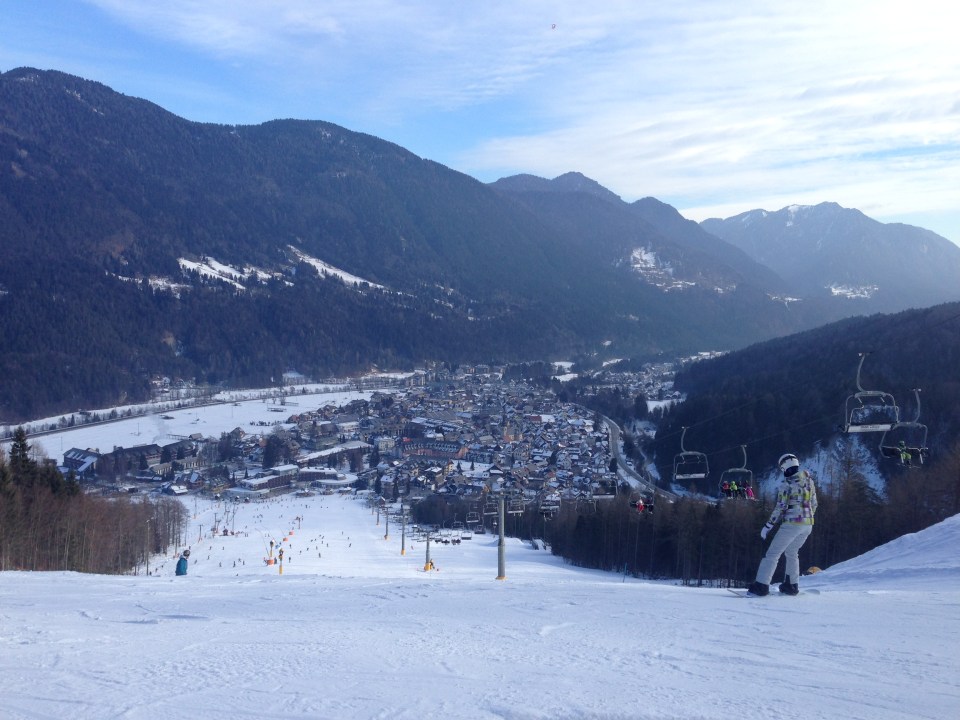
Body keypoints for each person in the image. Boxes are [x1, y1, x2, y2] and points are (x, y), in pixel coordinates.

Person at [747, 453, 818, 596]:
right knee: (792, 553)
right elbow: (814, 504)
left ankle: (761, 585)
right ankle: (792, 585)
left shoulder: (786, 485)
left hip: (792, 524)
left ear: (784, 467)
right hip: (808, 524)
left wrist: (768, 526)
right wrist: (807, 517)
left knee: (773, 554)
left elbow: (780, 508)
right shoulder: (810, 481)